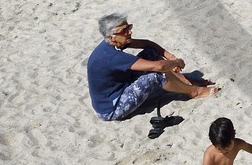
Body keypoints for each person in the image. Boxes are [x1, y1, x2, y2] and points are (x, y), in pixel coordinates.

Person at [86, 13, 219, 122]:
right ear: (112, 37)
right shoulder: (111, 56)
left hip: (121, 85)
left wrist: (171, 57)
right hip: (112, 108)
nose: (129, 32)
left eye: (129, 27)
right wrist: (176, 62)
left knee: (150, 54)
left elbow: (147, 44)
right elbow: (159, 67)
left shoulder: (112, 43)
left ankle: (184, 82)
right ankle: (194, 92)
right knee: (155, 75)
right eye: (124, 30)